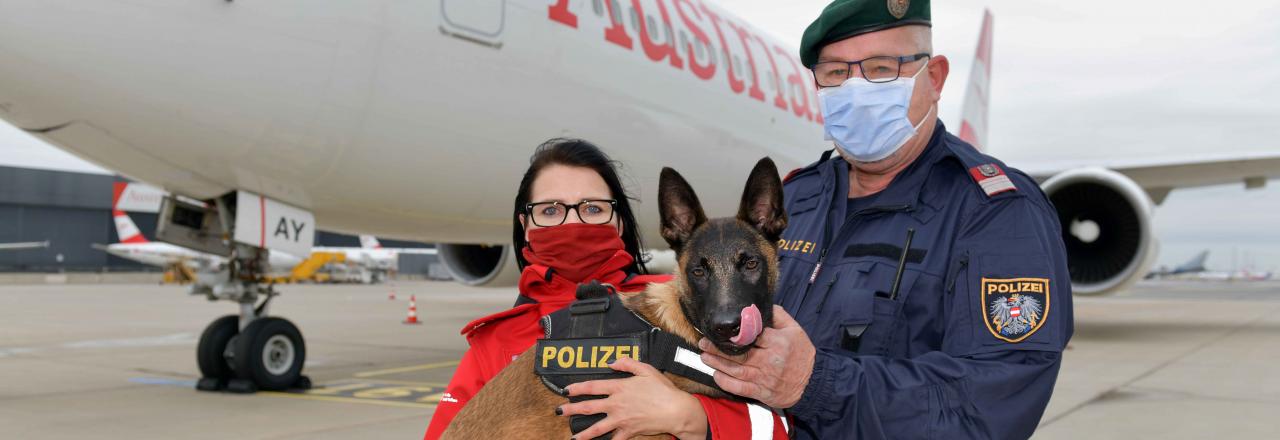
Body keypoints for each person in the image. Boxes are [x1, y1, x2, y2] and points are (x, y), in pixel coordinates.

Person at [691, 1, 1075, 439]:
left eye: (880, 68)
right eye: (835, 73)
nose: (855, 89)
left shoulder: (997, 214)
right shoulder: (797, 198)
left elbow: (990, 407)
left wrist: (815, 383)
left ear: (934, 78)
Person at [424, 139, 786, 440]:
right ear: (525, 223)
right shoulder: (493, 343)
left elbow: (777, 430)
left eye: (592, 208)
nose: (572, 222)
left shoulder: (682, 312)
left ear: (619, 219)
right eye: (550, 210)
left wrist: (692, 416)